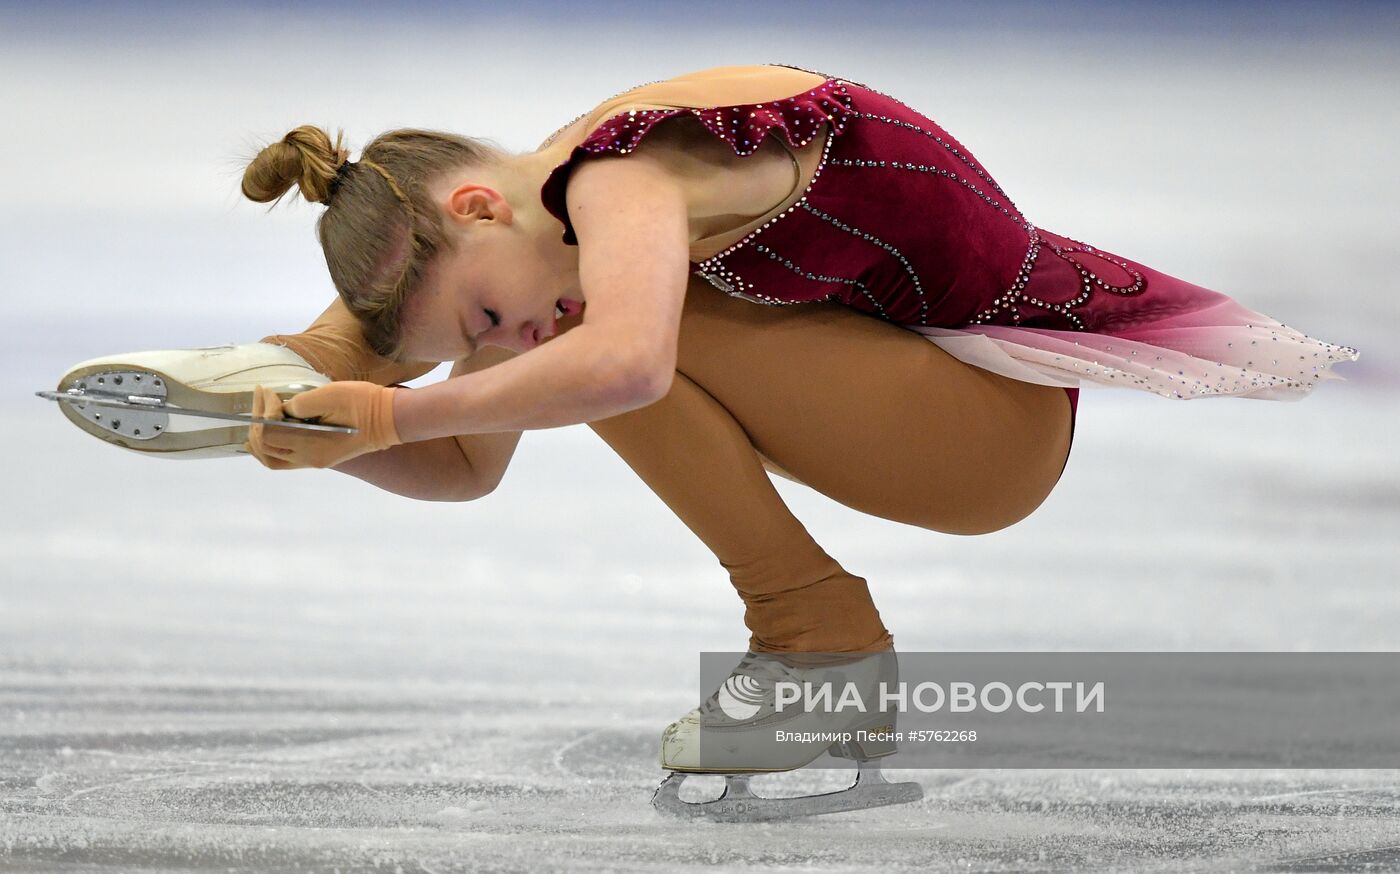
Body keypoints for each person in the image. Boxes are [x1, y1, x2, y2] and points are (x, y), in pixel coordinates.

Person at [49, 63, 1359, 819]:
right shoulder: (530, 214)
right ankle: (301, 364)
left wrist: (385, 404)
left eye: (481, 309)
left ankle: (820, 651)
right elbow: (464, 459)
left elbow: (617, 370)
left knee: (607, 351)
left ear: (476, 199)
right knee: (558, 352)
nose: (505, 333)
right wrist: (311, 427)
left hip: (992, 423)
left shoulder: (616, 181)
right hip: (924, 390)